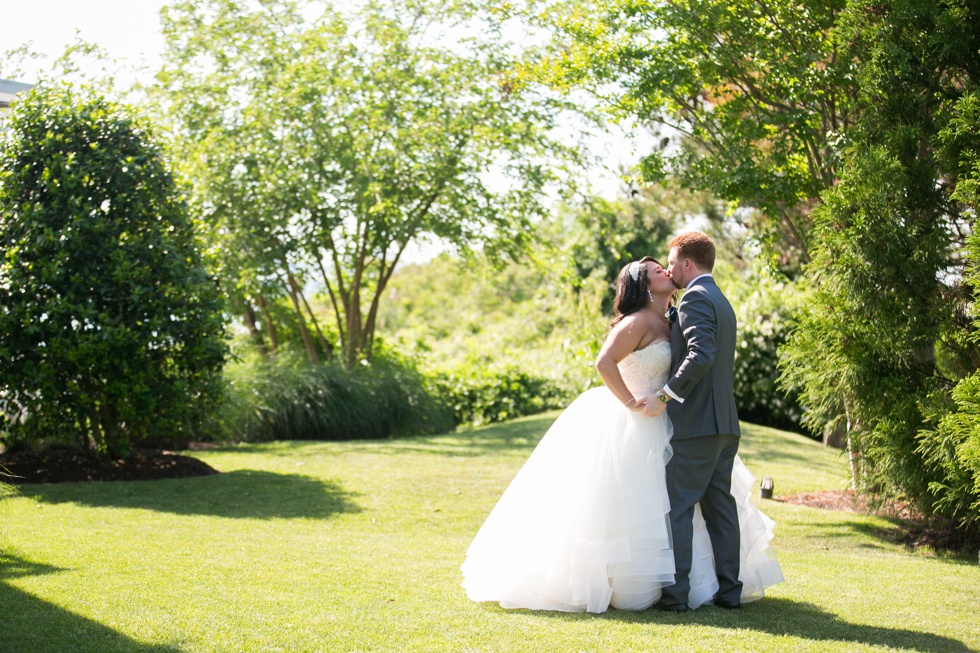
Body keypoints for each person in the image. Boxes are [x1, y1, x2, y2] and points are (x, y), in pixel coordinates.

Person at [461, 254, 782, 613]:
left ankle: (690, 587)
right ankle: (634, 583)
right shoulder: (637, 321)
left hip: (669, 422)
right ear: (643, 286)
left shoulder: (671, 320)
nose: (663, 269)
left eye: (663, 265)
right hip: (634, 423)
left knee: (677, 505)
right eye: (654, 271)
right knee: (637, 504)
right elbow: (604, 362)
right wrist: (630, 402)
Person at [642, 231, 767, 612]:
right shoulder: (721, 299)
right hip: (726, 424)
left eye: (671, 261)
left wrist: (665, 395)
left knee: (678, 507)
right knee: (720, 509)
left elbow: (701, 354)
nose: (668, 268)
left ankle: (676, 596)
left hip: (696, 424)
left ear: (687, 264)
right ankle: (730, 593)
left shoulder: (695, 296)